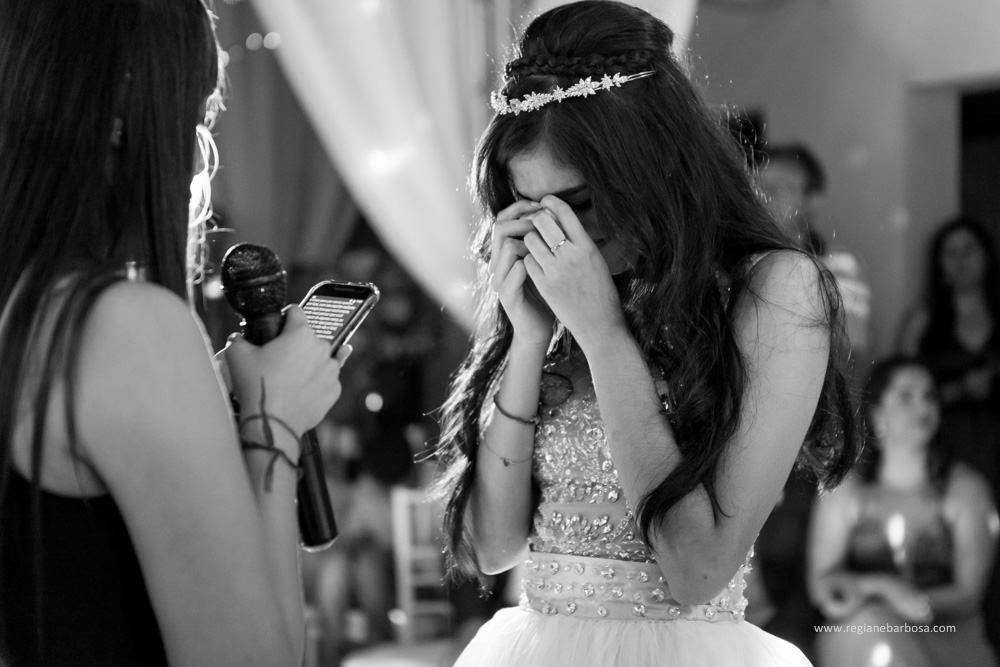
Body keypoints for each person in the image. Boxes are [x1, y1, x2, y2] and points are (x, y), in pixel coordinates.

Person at [434, 2, 861, 665]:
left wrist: (604, 335)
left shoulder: (773, 290)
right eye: (531, 208)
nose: (559, 237)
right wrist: (526, 338)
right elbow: (490, 547)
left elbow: (697, 569)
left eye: (576, 203)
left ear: (649, 165)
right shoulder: (559, 295)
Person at [0, 1, 348, 665]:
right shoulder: (123, 328)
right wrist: (273, 423)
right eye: (195, 115)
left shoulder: (24, 310)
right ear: (127, 104)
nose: (194, 156)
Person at [808, 357, 998, 667]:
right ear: (877, 412)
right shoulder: (846, 491)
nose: (922, 406)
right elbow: (822, 586)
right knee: (870, 630)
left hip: (946, 638)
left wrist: (914, 603)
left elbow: (968, 594)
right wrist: (886, 588)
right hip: (860, 635)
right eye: (907, 396)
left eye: (930, 396)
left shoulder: (966, 490)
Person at [896, 214, 1000, 650]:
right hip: (950, 443)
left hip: (997, 435)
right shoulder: (924, 319)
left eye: (968, 250)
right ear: (939, 264)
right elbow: (899, 383)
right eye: (950, 253)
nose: (960, 261)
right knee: (958, 543)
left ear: (986, 258)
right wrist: (959, 389)